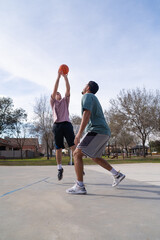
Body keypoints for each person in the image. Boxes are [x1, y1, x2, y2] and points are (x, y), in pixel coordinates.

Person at [66, 81, 125, 194]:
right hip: (104, 132)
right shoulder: (93, 98)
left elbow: (86, 114)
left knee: (76, 154)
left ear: (88, 87)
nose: (83, 87)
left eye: (84, 85)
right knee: (95, 157)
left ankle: (80, 186)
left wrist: (79, 134)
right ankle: (116, 175)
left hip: (96, 130)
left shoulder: (87, 96)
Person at [50, 71, 75, 180]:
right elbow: (55, 88)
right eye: (56, 93)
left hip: (67, 124)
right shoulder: (53, 102)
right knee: (58, 148)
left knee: (73, 146)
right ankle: (60, 168)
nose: (58, 94)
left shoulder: (65, 101)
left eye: (59, 93)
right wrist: (58, 77)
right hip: (57, 126)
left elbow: (68, 89)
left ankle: (78, 164)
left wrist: (65, 77)